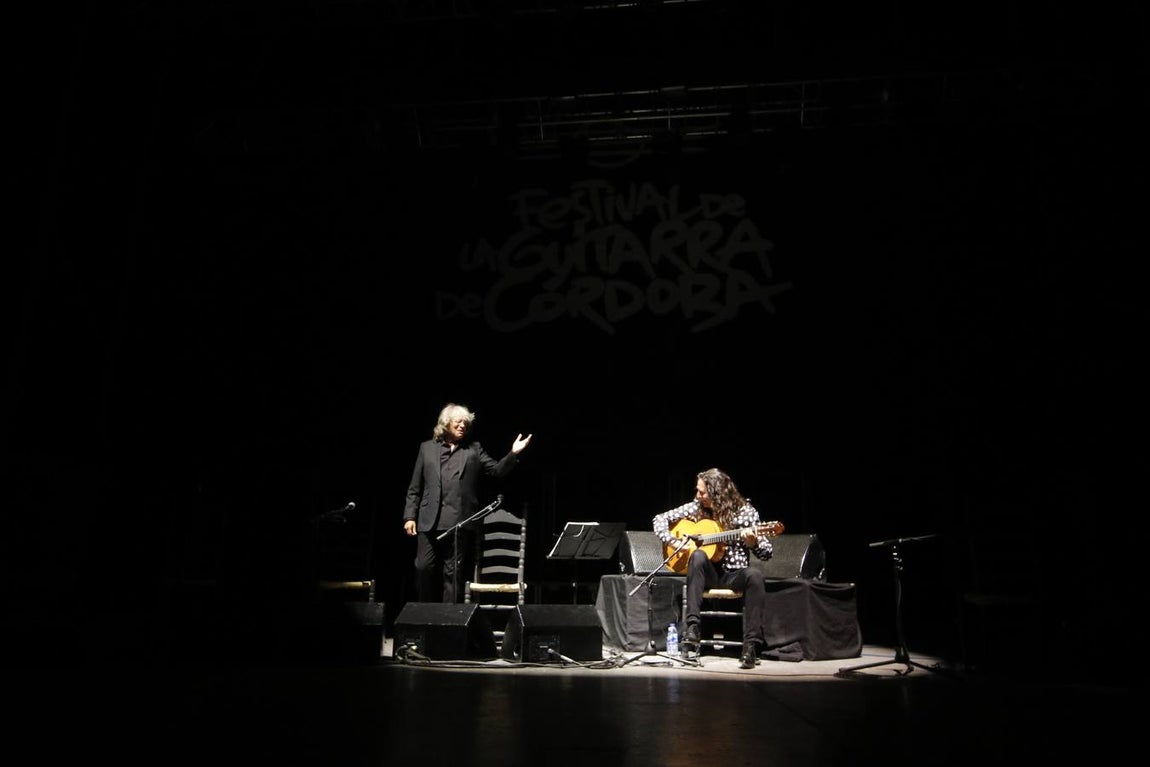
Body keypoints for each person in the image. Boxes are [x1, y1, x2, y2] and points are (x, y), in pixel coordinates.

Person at [404, 403, 532, 603]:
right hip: (429, 519)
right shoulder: (427, 448)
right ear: (446, 423)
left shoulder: (474, 449)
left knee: (452, 573)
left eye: (465, 422)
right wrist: (410, 516)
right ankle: (423, 614)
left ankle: (449, 619)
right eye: (458, 421)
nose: (463, 425)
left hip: (458, 521)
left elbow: (496, 471)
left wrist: (513, 454)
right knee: (423, 567)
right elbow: (415, 486)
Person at [652, 467, 774, 669]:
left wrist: (754, 543)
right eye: (698, 491)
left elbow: (767, 551)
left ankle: (750, 646)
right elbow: (659, 519)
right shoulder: (697, 507)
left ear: (717, 493)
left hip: (733, 574)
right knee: (698, 555)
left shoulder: (745, 513)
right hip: (707, 573)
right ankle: (692, 628)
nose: (697, 495)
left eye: (702, 492)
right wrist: (673, 541)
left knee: (755, 575)